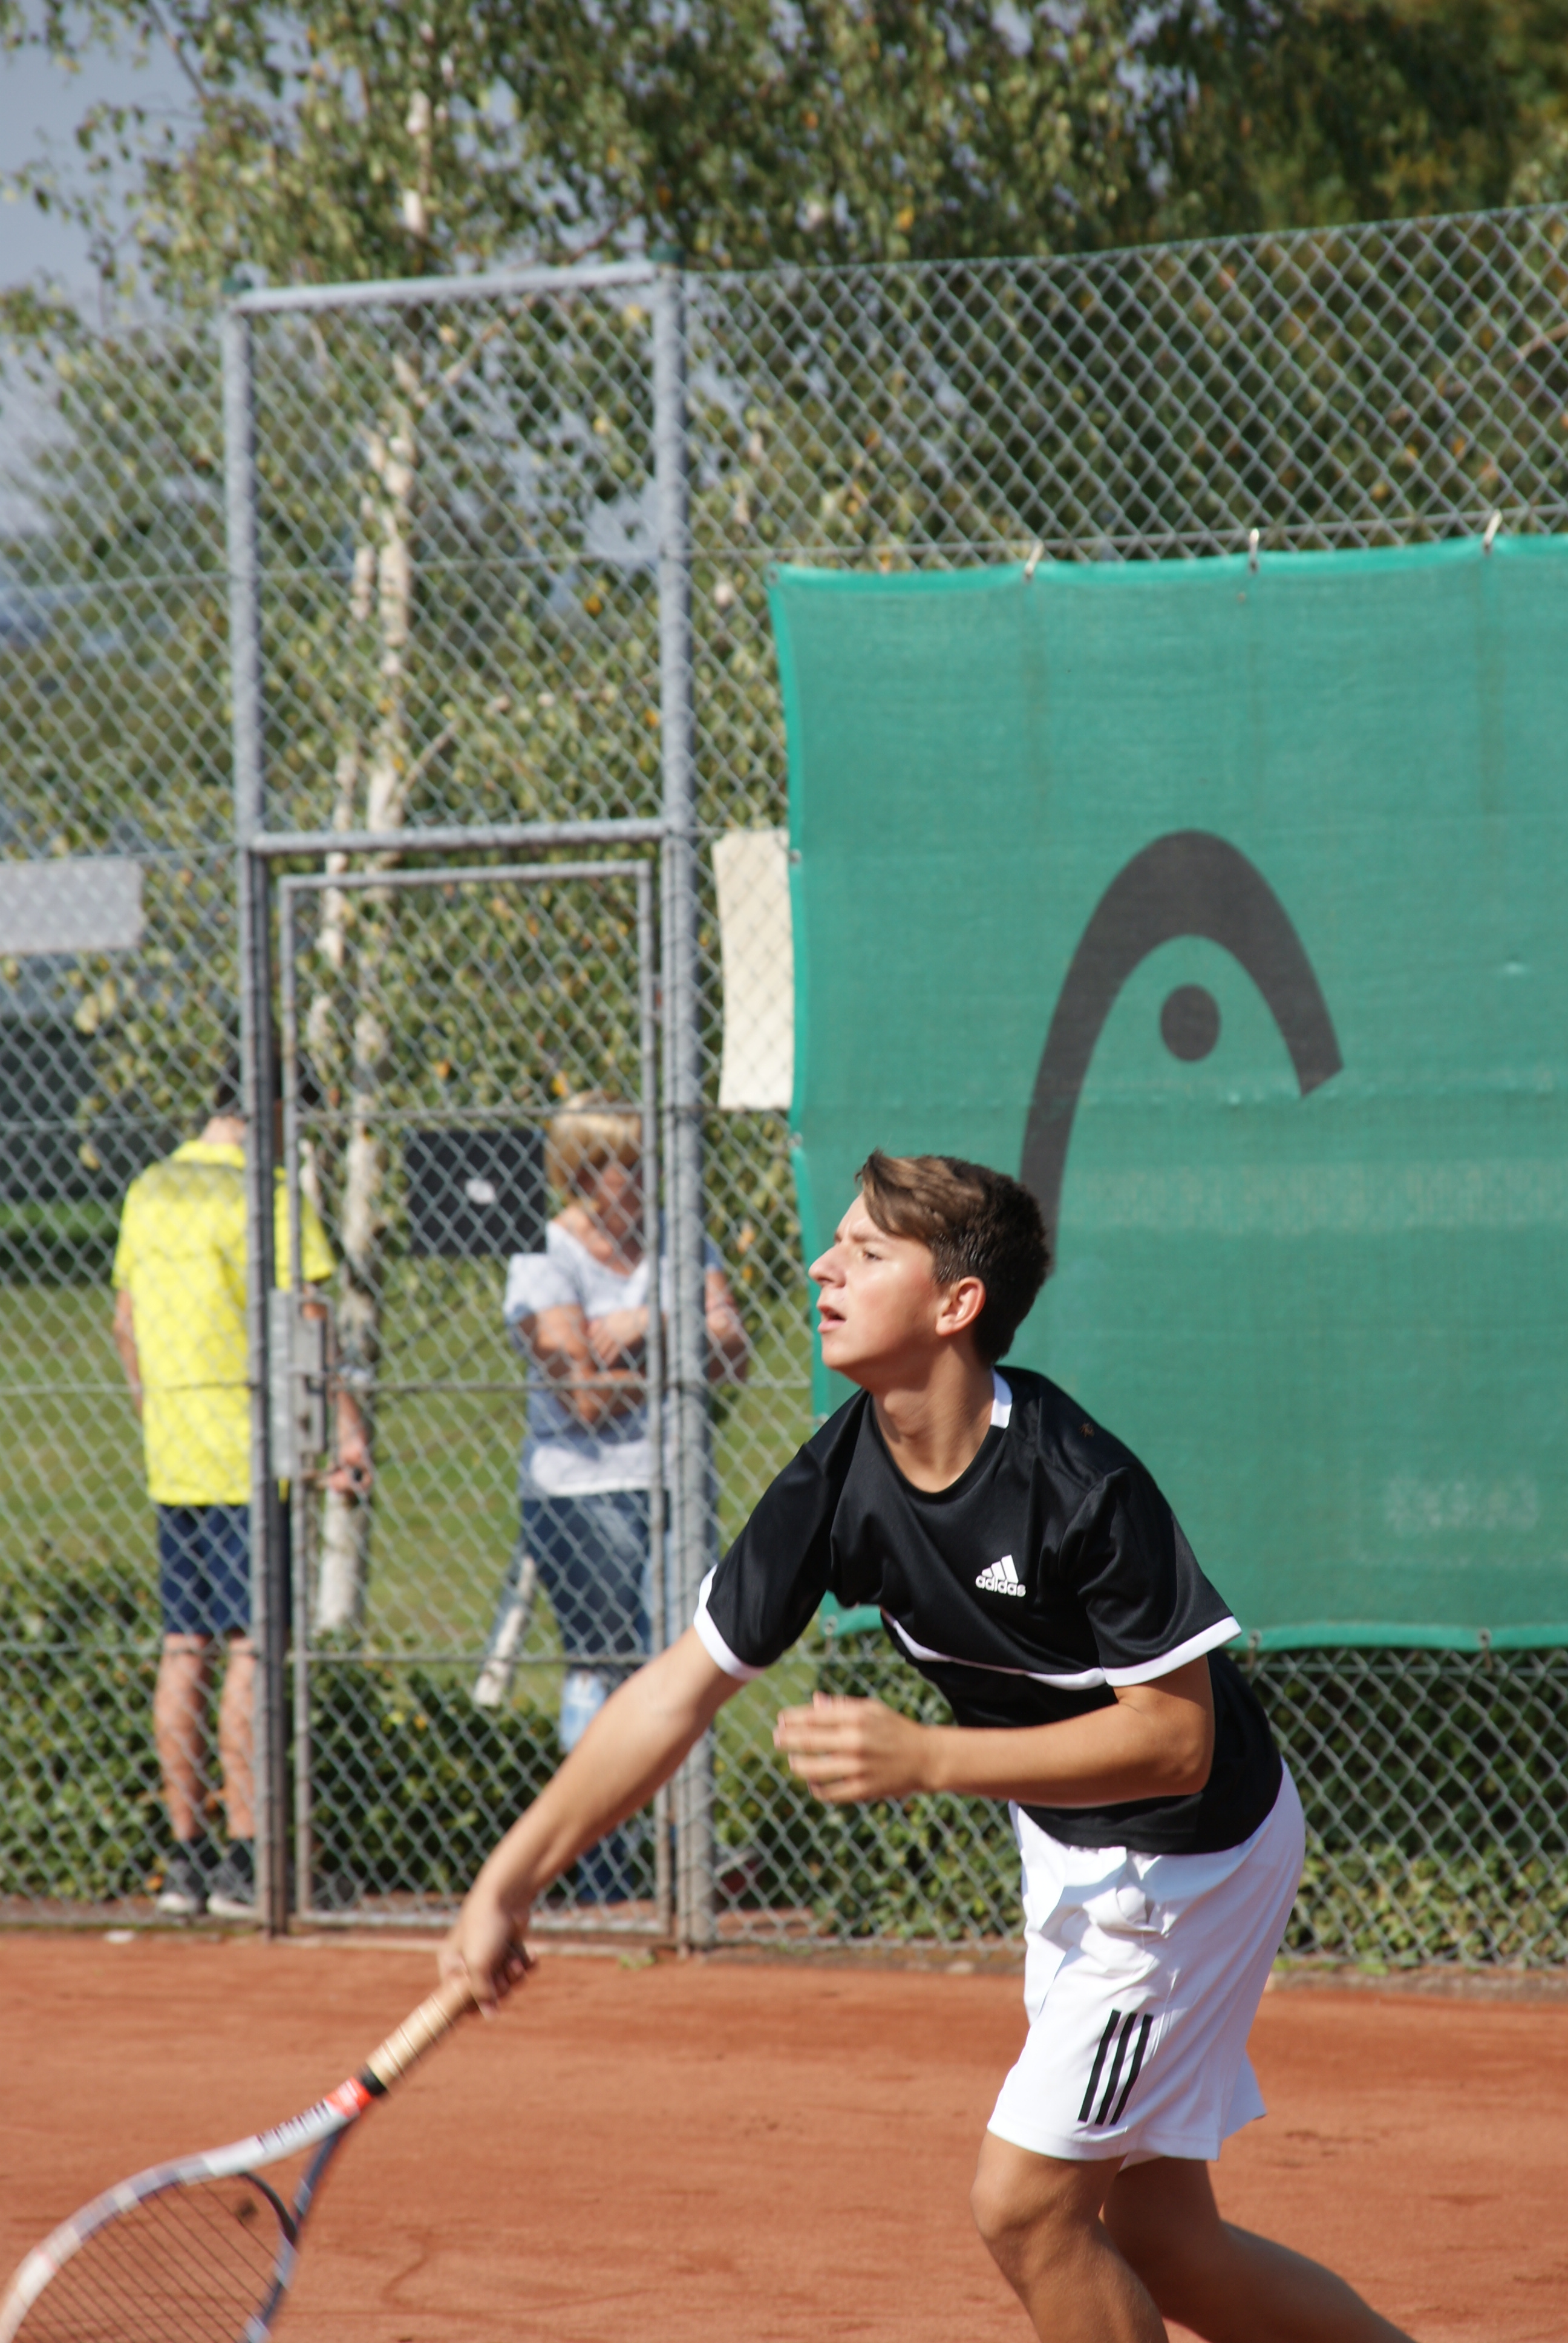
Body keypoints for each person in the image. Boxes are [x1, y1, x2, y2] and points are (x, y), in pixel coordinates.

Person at [445, 1149, 1417, 2342]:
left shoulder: (1076, 1481)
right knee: (1168, 2241)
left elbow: (1177, 1741)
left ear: (958, 1304)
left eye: (866, 1251)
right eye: (835, 1245)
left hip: (1184, 1863)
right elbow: (675, 1693)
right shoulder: (839, 1474)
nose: (822, 1266)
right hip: (1074, 1852)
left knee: (1027, 2208)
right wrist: (510, 1881)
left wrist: (928, 1761)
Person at [112, 1052, 370, 1920]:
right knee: (252, 1648)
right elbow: (310, 1324)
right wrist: (345, 1433)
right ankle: (249, 1858)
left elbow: (125, 1323)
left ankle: (186, 1858)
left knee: (185, 1645)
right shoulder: (273, 1196)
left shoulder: (152, 1188)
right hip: (252, 1457)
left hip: (175, 1451)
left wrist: (157, 1413)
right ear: (275, 1113)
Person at [477, 1093, 746, 1904]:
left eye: (635, 1161)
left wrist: (646, 1323)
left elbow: (735, 1356)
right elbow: (584, 1398)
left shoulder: (680, 1236)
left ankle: (684, 1856)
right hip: (581, 1494)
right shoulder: (544, 1252)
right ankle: (595, 1863)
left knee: (688, 1669)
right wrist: (683, 1352)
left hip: (674, 1482)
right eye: (606, 1165)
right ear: (577, 1172)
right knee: (604, 1667)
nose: (627, 1179)